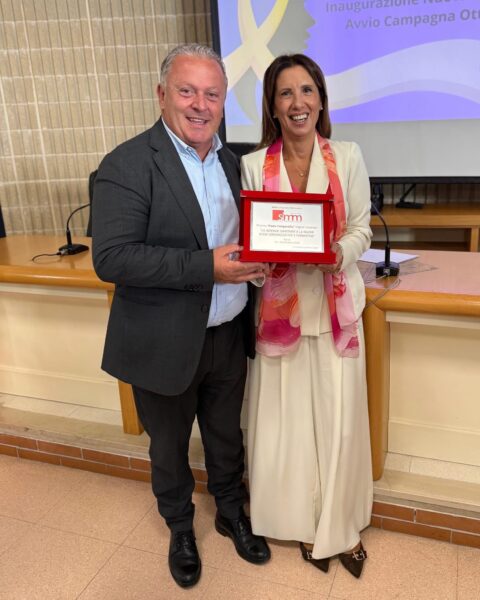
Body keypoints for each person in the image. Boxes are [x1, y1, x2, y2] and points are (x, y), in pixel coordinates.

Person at [92, 44, 271, 589]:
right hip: (162, 339)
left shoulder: (235, 163)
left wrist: (261, 262)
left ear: (224, 102)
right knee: (168, 448)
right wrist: (206, 267)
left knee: (226, 436)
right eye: (187, 91)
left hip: (228, 333)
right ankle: (180, 528)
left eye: (212, 94)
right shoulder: (127, 163)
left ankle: (231, 513)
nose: (200, 104)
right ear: (162, 94)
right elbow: (112, 257)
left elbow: (247, 241)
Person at [241, 54, 373, 579]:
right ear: (273, 107)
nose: (297, 103)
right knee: (290, 425)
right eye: (285, 93)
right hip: (281, 313)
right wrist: (258, 262)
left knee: (340, 423)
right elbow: (251, 241)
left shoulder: (349, 155)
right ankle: (302, 521)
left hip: (336, 308)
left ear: (320, 99)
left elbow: (361, 228)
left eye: (306, 91)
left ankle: (340, 525)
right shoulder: (254, 165)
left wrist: (337, 254)